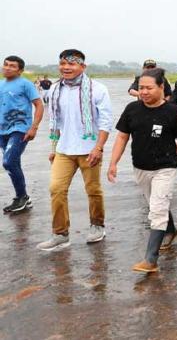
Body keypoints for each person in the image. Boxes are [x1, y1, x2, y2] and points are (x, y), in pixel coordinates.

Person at [107, 68, 177, 273]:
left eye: (148, 88)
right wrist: (113, 163)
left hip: (165, 167)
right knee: (156, 203)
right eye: (141, 88)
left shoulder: (172, 111)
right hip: (140, 166)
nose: (144, 92)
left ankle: (150, 259)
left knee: (156, 209)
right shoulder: (132, 109)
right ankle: (170, 230)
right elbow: (122, 137)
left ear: (161, 87)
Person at [36, 49, 114, 251]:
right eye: (62, 63)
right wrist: (53, 147)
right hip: (64, 149)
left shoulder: (97, 89)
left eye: (71, 63)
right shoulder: (54, 89)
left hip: (90, 149)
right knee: (56, 189)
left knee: (93, 190)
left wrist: (99, 148)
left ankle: (97, 225)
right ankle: (60, 234)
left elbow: (106, 121)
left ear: (82, 66)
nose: (66, 67)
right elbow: (54, 120)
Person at [1, 56, 44, 213]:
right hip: (2, 130)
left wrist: (34, 127)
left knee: (8, 162)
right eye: (5, 65)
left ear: (20, 70)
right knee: (13, 163)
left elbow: (39, 105)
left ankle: (22, 197)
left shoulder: (25, 84)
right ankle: (23, 197)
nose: (7, 68)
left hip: (20, 129)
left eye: (12, 66)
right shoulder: (1, 85)